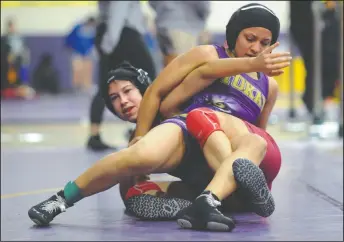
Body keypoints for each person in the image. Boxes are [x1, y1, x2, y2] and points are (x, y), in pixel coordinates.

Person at [28, 3, 289, 232]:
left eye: (265, 43)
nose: (256, 48)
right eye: (250, 38)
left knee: (251, 148)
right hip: (190, 128)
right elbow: (155, 91)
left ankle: (198, 198)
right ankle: (61, 199)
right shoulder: (206, 54)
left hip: (228, 148)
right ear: (233, 35)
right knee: (139, 157)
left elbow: (258, 133)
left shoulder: (269, 86)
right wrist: (140, 134)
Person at [87, 1, 156, 151]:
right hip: (121, 34)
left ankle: (95, 135)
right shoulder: (120, 29)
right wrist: (109, 44)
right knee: (149, 81)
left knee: (106, 84)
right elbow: (118, 9)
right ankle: (145, 129)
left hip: (113, 32)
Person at [149, 1, 210, 67]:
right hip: (185, 27)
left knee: (169, 66)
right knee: (184, 68)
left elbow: (152, 3)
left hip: (163, 24)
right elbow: (204, 8)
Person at [65, 16, 97, 92]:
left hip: (88, 53)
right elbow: (70, 38)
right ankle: (77, 87)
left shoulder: (93, 30)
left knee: (87, 70)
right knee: (77, 70)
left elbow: (94, 42)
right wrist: (69, 47)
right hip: (77, 53)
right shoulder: (78, 28)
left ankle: (86, 87)